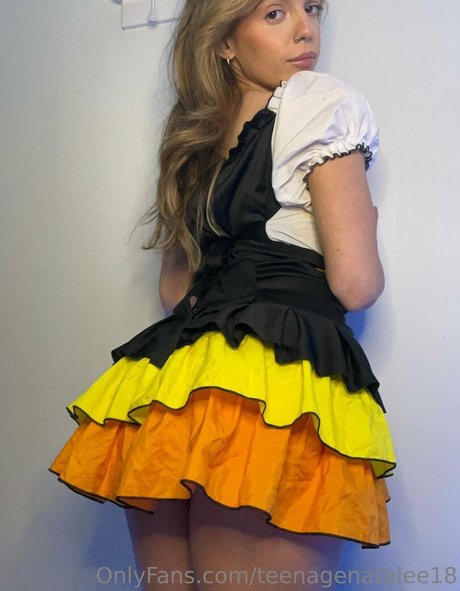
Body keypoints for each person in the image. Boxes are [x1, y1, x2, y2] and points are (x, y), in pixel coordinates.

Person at [49, 1, 397, 589]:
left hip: (172, 390)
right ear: (224, 41)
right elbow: (356, 284)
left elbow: (175, 293)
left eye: (312, 7)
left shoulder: (196, 136)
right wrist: (364, 222)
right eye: (274, 13)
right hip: (270, 387)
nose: (305, 29)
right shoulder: (322, 102)